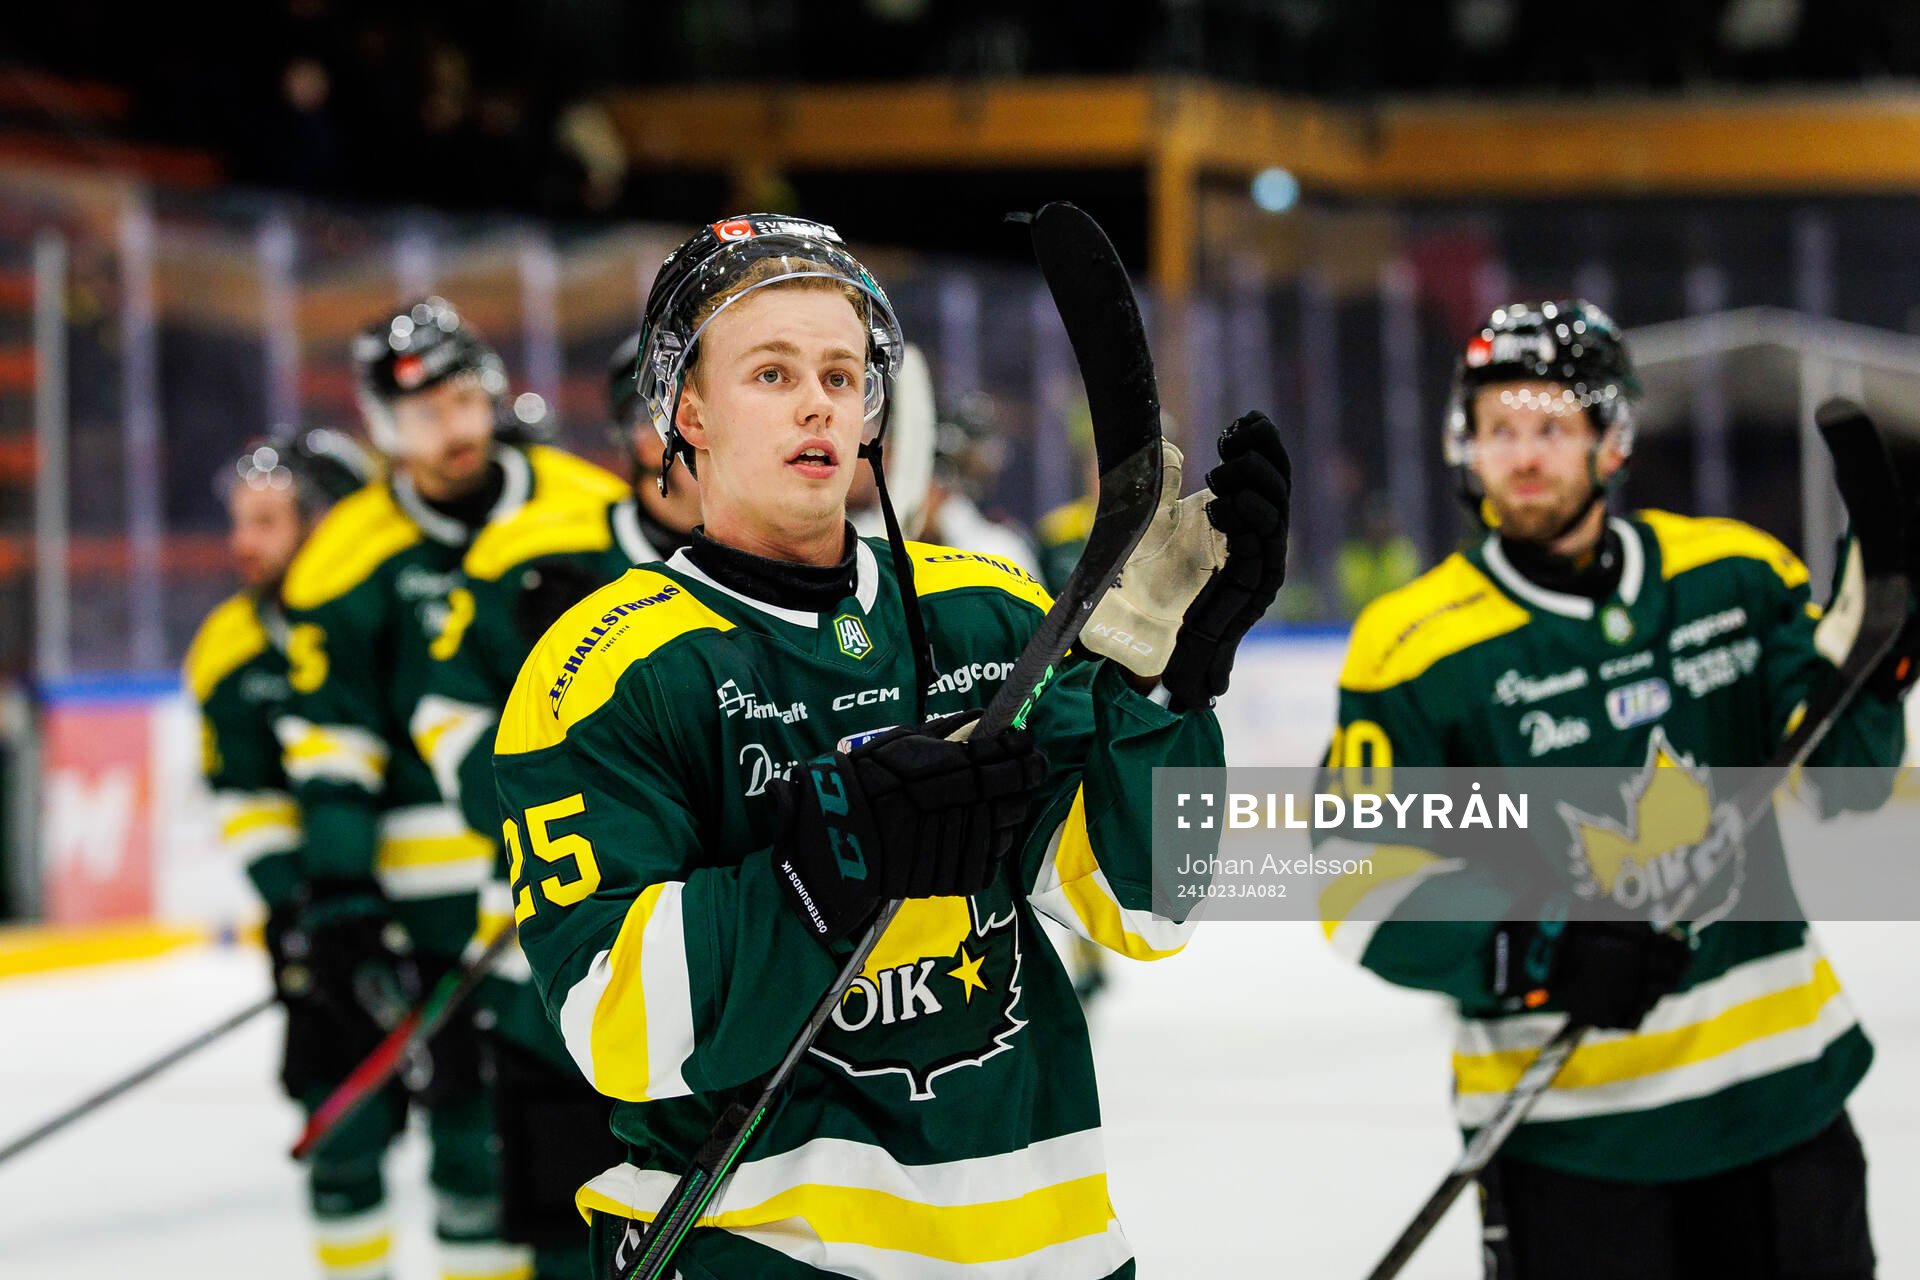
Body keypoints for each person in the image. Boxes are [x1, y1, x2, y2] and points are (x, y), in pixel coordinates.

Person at [491, 213, 1292, 1277]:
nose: (818, 398)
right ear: (685, 408)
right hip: (764, 1251)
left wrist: (1165, 684)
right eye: (771, 373)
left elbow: (1148, 909)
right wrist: (825, 867)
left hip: (1045, 1249)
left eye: (840, 370)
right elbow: (612, 1027)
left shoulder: (989, 612)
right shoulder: (606, 667)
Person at [1322, 300, 1916, 1279]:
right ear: (1463, 444)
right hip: (1571, 1144)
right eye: (1498, 427)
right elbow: (1361, 889)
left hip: (1783, 1110)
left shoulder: (1732, 575)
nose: (1520, 455)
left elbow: (1847, 783)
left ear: (1610, 437)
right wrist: (1537, 947)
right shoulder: (1416, 650)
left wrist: (1882, 664)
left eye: (1551, 426)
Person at [277, 296, 626, 1280]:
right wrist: (341, 894)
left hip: (574, 871)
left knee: (558, 1133)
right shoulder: (347, 555)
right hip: (427, 910)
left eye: (467, 399)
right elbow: (330, 753)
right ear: (386, 428)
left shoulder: (581, 506)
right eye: (427, 414)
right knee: (467, 1138)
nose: (456, 428)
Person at [410, 330, 703, 1280]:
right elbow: (446, 715)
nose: (675, 444)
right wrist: (519, 811)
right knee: (556, 1231)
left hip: (723, 960)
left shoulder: (800, 561)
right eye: (655, 422)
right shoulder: (531, 556)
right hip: (562, 969)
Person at [187, 428, 375, 1280]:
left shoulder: (384, 614)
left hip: (432, 910)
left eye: (266, 520)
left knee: (481, 1147)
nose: (243, 542)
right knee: (339, 1140)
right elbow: (245, 802)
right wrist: (301, 911)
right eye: (240, 520)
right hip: (320, 928)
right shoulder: (228, 647)